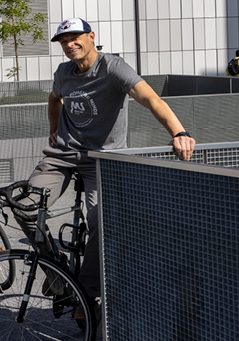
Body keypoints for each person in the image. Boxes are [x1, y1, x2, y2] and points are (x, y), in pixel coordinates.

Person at [30, 17, 195, 304]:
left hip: (102, 158)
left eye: (75, 38)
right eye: (64, 41)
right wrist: (53, 129)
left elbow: (151, 99)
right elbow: (54, 99)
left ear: (92, 36)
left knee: (102, 220)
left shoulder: (113, 67)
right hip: (64, 155)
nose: (70, 45)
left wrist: (179, 132)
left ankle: (87, 291)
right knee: (25, 206)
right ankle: (56, 271)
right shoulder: (63, 72)